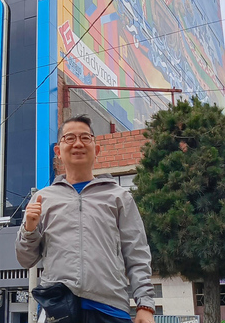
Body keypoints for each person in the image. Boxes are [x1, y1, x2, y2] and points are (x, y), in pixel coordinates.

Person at [16, 115, 156, 323]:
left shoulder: (118, 196)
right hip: (58, 308)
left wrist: (144, 305)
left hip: (110, 310)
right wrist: (29, 228)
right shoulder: (42, 198)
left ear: (96, 150)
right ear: (58, 151)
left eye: (85, 138)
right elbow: (25, 259)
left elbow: (136, 253)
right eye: (70, 138)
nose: (78, 144)